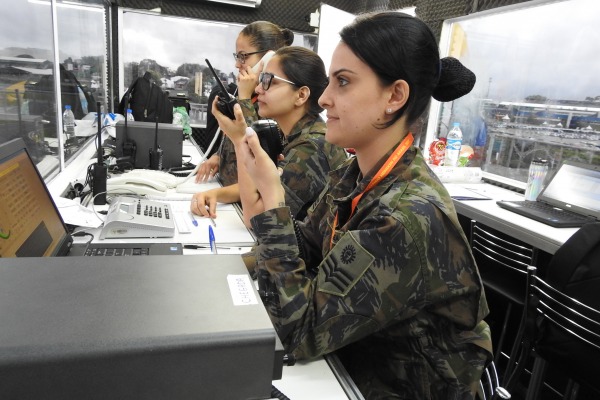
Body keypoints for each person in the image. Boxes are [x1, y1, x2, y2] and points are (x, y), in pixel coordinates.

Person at [213, 12, 492, 399]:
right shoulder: (353, 175)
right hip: (353, 362)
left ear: (394, 96)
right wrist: (216, 274)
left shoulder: (405, 216)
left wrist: (272, 209)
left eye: (343, 82)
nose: (325, 98)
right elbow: (305, 247)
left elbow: (301, 331)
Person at [192, 46, 347, 226]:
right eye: (261, 80)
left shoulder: (312, 147)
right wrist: (216, 194)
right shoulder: (285, 133)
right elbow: (259, 187)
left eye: (268, 81)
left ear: (301, 95)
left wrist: (240, 140)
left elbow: (258, 220)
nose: (258, 89)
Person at [195, 20, 294, 185]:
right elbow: (235, 138)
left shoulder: (275, 104)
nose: (237, 64)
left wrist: (245, 98)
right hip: (227, 190)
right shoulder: (250, 96)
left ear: (269, 58)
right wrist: (219, 156)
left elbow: (255, 153)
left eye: (243, 56)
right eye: (237, 56)